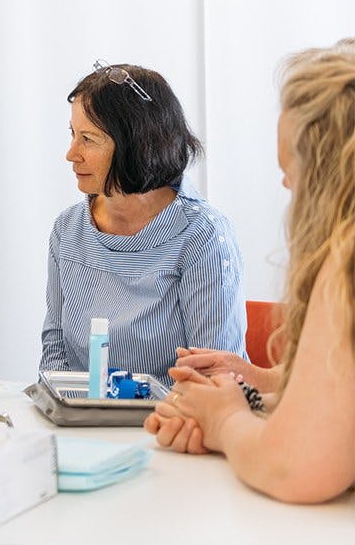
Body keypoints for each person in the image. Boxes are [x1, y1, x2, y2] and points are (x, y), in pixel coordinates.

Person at [145, 41, 355, 503]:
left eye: (291, 171)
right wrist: (252, 388)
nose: (286, 186)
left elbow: (295, 468)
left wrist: (224, 421)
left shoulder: (346, 258)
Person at [39, 61, 247, 387]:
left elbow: (213, 375)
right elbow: (55, 345)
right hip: (78, 424)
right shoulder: (67, 229)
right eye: (73, 134)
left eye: (89, 139)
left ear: (136, 143)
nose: (71, 153)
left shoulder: (202, 237)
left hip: (171, 427)